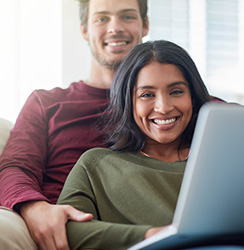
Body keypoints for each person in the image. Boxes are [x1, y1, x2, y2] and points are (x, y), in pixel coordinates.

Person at [0, 0, 149, 249]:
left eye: (127, 16)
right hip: (58, 226)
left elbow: (226, 121)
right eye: (102, 18)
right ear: (83, 29)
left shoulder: (169, 105)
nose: (115, 28)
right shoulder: (46, 103)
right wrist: (35, 209)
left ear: (145, 25)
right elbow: (16, 167)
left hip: (143, 223)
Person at [57, 40, 212, 250]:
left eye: (176, 91)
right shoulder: (97, 164)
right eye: (147, 95)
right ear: (128, 102)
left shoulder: (216, 159)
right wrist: (153, 236)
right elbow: (69, 230)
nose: (164, 107)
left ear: (193, 98)